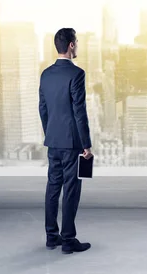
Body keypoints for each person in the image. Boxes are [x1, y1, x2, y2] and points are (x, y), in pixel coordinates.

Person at [39, 28, 93, 254]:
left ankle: (52, 237)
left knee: (53, 187)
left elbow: (43, 108)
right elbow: (79, 110)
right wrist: (86, 144)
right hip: (72, 143)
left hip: (53, 141)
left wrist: (50, 132)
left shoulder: (45, 74)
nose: (78, 45)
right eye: (77, 42)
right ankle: (68, 240)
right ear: (71, 45)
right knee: (70, 189)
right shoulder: (76, 74)